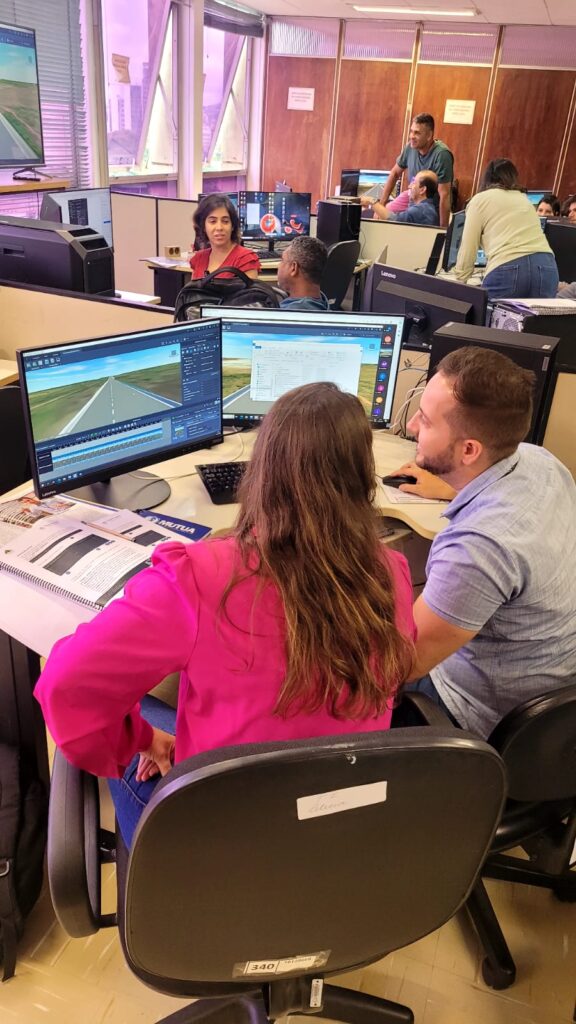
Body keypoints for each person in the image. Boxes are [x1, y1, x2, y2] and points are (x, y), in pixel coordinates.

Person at [35, 382, 416, 847]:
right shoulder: (392, 574)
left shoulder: (198, 577)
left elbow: (66, 686)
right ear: (362, 477)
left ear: (262, 470)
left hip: (220, 841)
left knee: (142, 714)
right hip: (334, 831)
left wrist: (144, 740)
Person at [388, 346, 576, 739]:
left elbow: (402, 663)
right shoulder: (540, 461)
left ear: (469, 450)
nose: (413, 427)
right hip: (552, 679)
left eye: (426, 420)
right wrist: (452, 487)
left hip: (483, 712)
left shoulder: (479, 549)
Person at [453, 159, 559, 301]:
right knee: (535, 317)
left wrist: (460, 282)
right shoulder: (524, 200)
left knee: (488, 315)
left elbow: (468, 246)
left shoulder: (480, 200)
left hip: (508, 266)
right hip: (546, 266)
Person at [375, 114, 454, 227]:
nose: (411, 136)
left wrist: (442, 230)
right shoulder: (410, 147)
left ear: (429, 135)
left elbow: (444, 195)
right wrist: (381, 205)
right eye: (411, 131)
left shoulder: (442, 155)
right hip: (412, 198)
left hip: (429, 208)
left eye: (417, 133)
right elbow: (394, 173)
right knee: (383, 213)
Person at [190, 193, 260, 279]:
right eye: (213, 221)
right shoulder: (199, 259)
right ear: (203, 226)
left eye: (225, 221)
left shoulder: (245, 259)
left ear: (232, 226)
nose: (219, 227)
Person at [361, 171, 439, 226]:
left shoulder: (421, 210)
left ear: (422, 190)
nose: (409, 186)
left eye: (414, 183)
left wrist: (371, 201)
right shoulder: (426, 208)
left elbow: (394, 220)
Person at [277, 235, 330, 311]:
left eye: (282, 260)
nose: (279, 265)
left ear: (293, 268)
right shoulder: (321, 299)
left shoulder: (290, 315)